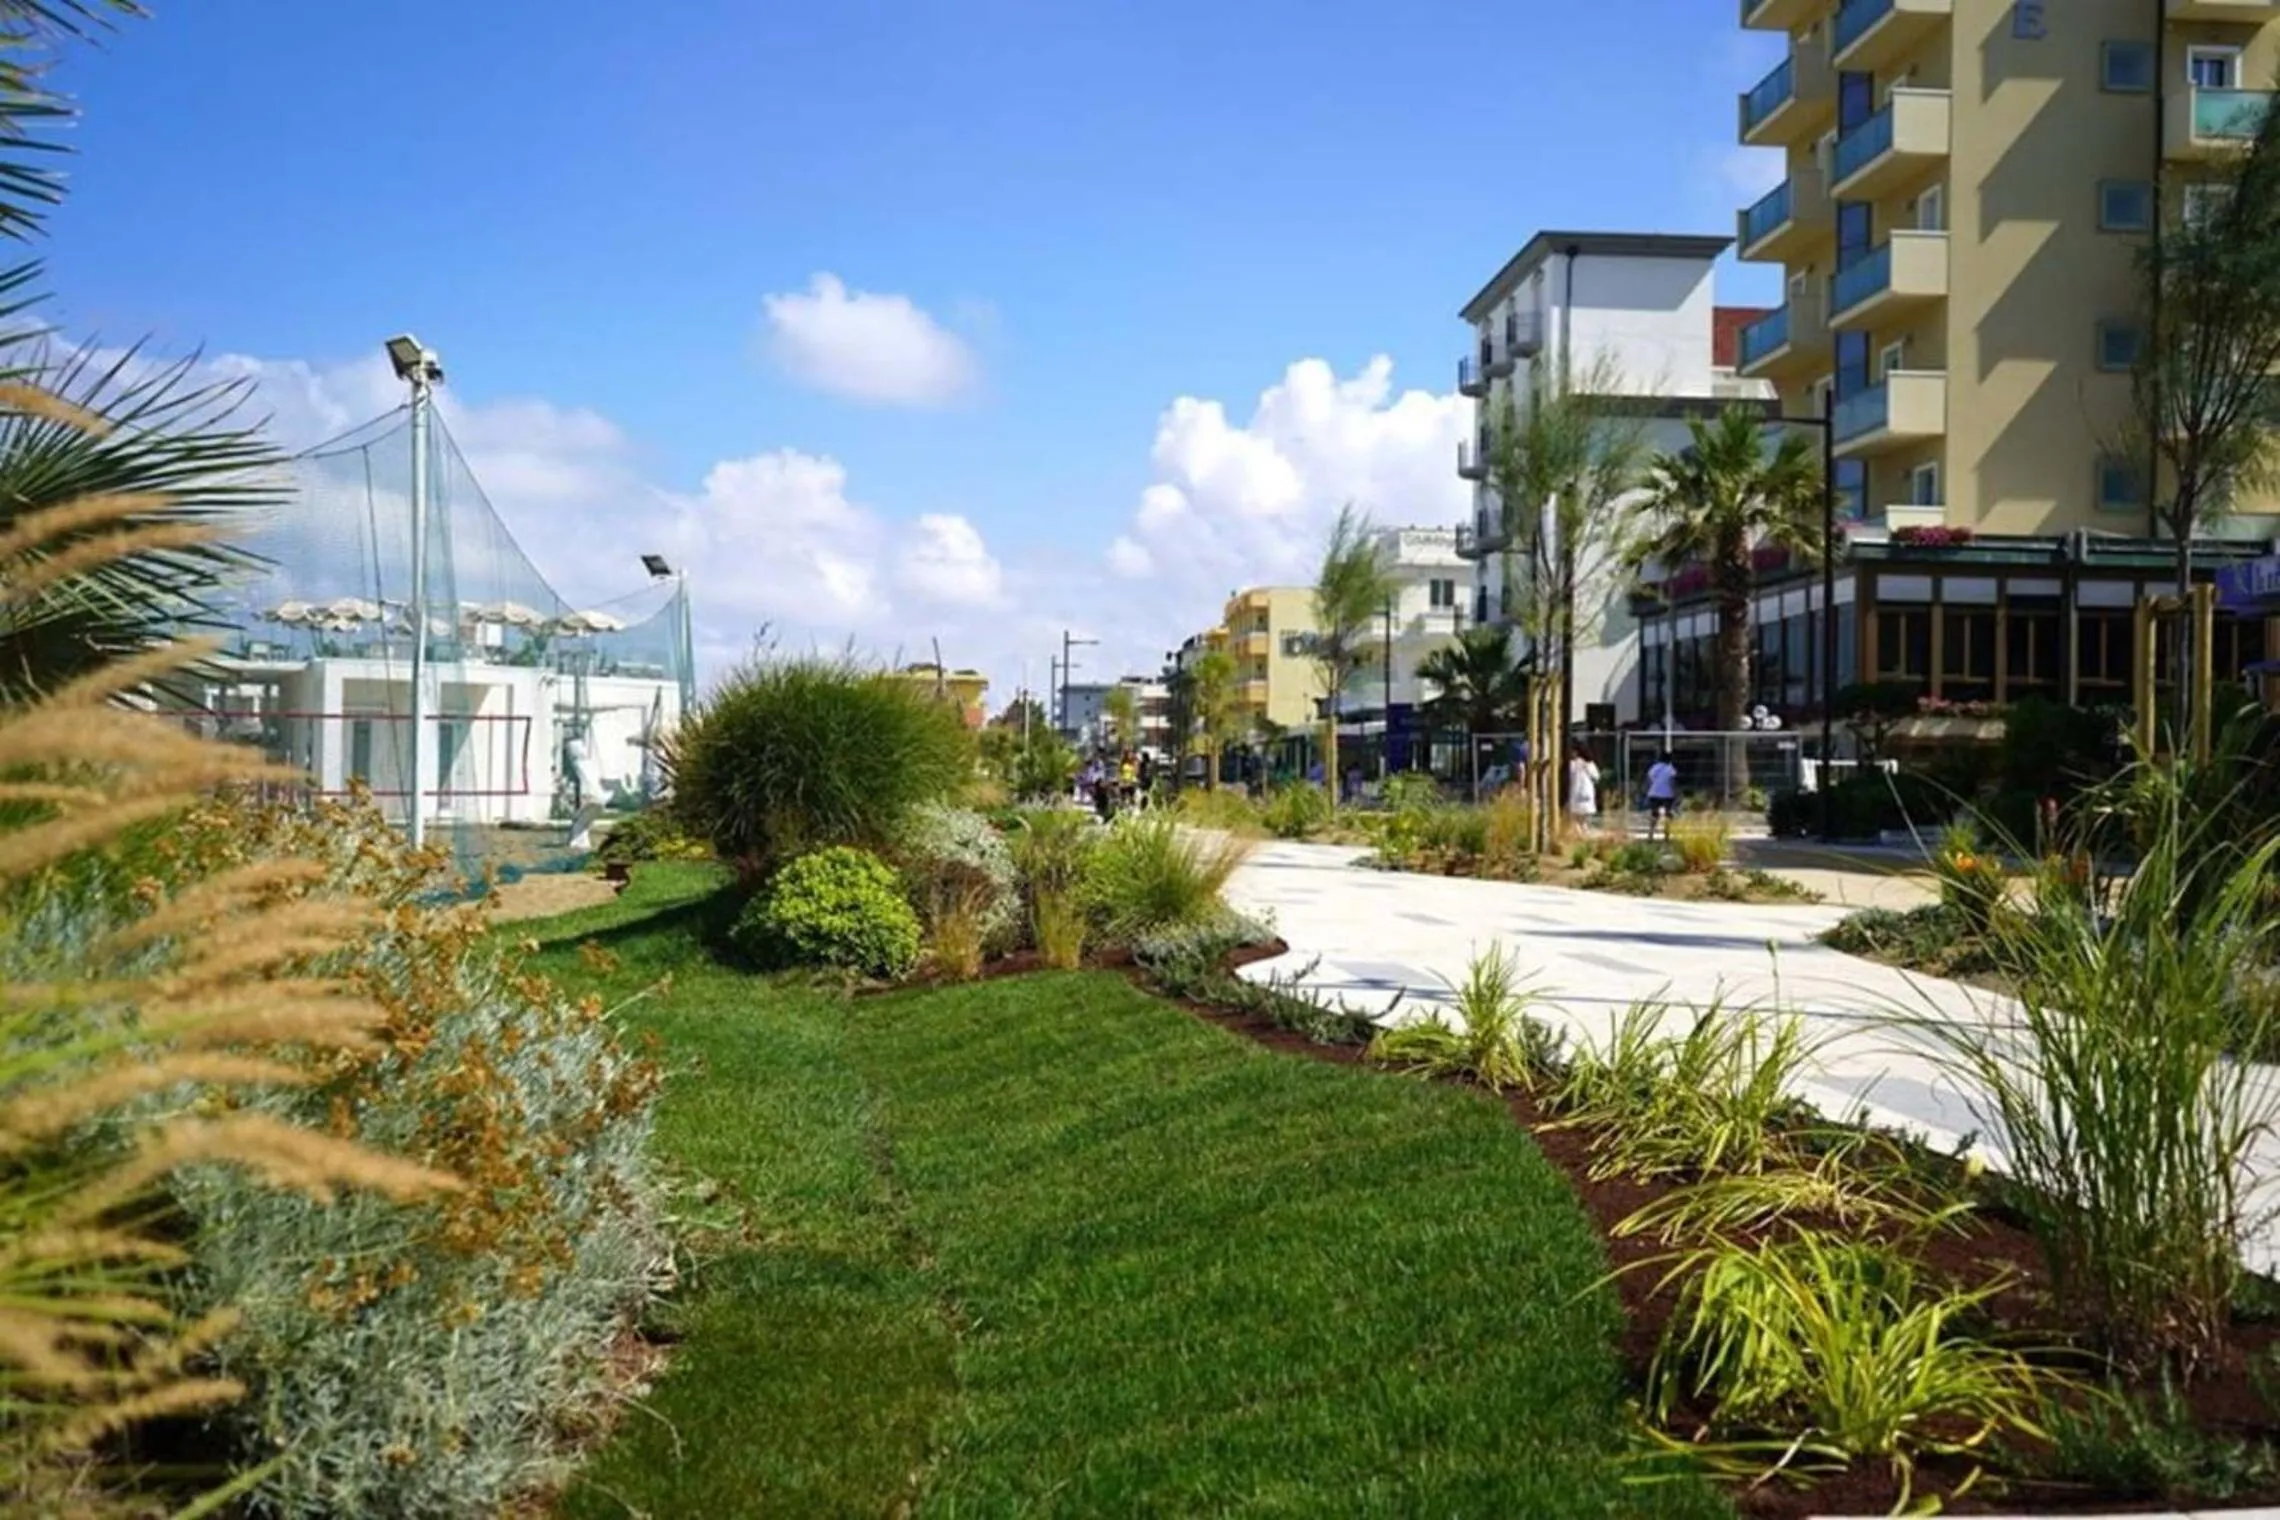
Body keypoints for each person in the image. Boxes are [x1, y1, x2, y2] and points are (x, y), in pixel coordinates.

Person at [1644, 751, 1680, 839]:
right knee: (1668, 813)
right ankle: (1666, 834)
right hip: (1667, 794)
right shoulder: (1670, 769)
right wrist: (1676, 792)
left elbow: (1649, 780)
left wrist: (1648, 791)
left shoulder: (1654, 768)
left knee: (1654, 814)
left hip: (1654, 793)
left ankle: (1650, 833)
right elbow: (1672, 782)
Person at [1566, 742, 1601, 830]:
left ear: (1577, 752)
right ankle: (1584, 833)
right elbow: (1596, 777)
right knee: (1584, 820)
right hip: (1587, 792)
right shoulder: (1589, 764)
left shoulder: (1572, 764)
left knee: (1575, 819)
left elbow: (1568, 777)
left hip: (1575, 793)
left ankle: (1579, 835)